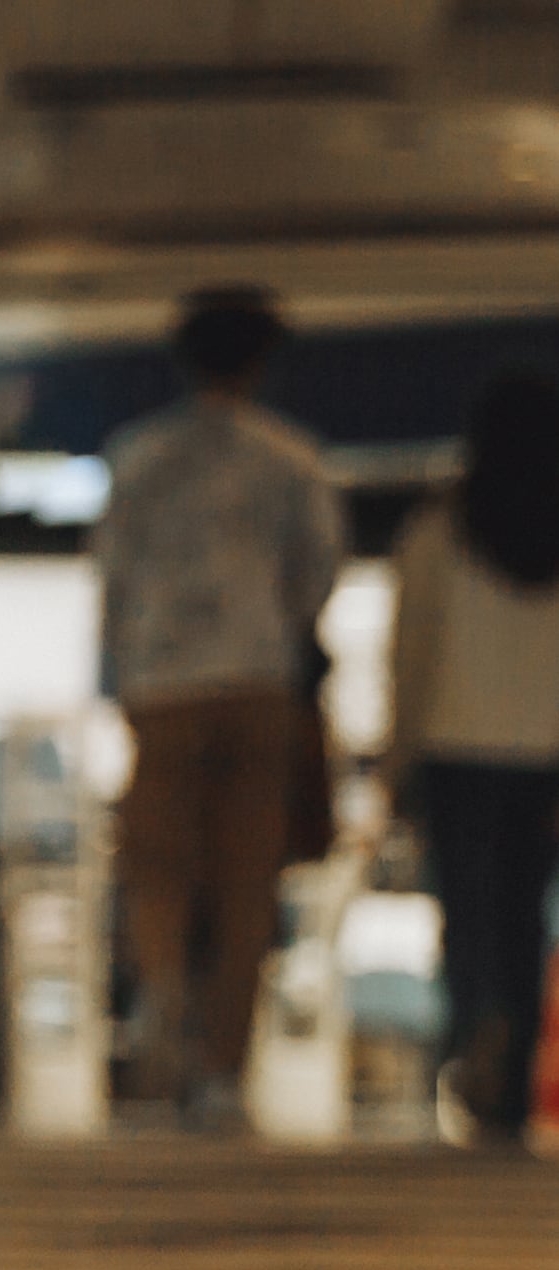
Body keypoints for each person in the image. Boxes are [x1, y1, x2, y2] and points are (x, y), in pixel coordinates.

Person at [95, 283, 347, 1120]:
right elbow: (319, 571)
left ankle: (164, 985)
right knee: (247, 875)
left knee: (157, 860)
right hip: (258, 680)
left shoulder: (138, 457)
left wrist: (117, 676)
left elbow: (114, 576)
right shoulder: (292, 457)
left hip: (163, 681)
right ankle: (221, 1069)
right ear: (261, 362)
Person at [389, 366, 559, 1149]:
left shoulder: (439, 530)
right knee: (527, 914)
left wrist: (399, 758)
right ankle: (514, 1066)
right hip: (549, 750)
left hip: (460, 746)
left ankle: (478, 1028)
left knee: (469, 912)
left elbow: (411, 653)